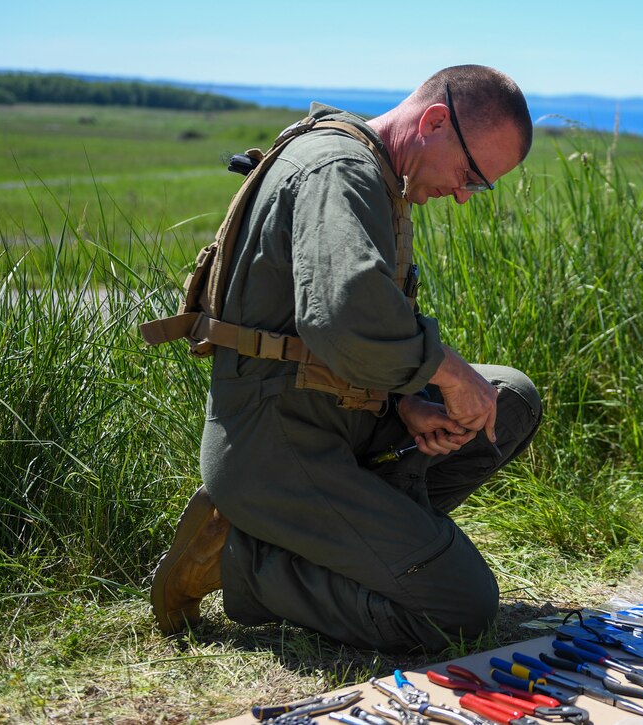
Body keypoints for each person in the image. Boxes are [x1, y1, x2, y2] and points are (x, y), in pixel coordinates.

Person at [149, 65, 541, 652]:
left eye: (478, 187)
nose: (463, 195)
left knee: (507, 401)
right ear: (435, 121)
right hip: (278, 442)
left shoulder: (379, 176)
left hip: (334, 415)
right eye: (470, 174)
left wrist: (407, 399)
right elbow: (345, 316)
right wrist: (450, 373)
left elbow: (337, 337)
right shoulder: (341, 171)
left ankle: (370, 538)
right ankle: (240, 561)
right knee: (462, 610)